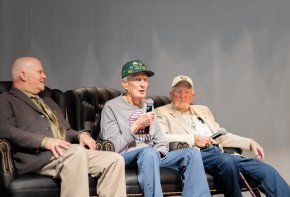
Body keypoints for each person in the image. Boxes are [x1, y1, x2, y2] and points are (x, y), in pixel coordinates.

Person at [0, 57, 126, 197]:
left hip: (69, 154)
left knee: (114, 160)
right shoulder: (6, 100)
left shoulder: (48, 101)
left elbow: (67, 130)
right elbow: (6, 130)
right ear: (23, 75)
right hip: (40, 157)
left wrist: (80, 135)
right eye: (40, 72)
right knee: (76, 152)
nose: (44, 76)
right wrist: (45, 141)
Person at [155, 75, 290, 197]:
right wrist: (193, 139)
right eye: (178, 91)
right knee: (226, 161)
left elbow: (221, 136)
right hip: (195, 156)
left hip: (219, 153)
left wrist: (250, 142)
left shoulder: (203, 110)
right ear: (171, 94)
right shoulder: (161, 112)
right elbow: (162, 138)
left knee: (265, 170)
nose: (183, 96)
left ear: (193, 94)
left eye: (187, 92)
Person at [100, 60, 211, 197]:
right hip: (127, 157)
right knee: (148, 152)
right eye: (137, 80)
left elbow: (161, 141)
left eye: (145, 80)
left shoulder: (148, 105)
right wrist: (136, 127)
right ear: (125, 84)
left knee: (192, 153)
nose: (143, 85)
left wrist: (159, 154)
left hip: (152, 156)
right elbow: (113, 147)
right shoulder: (111, 107)